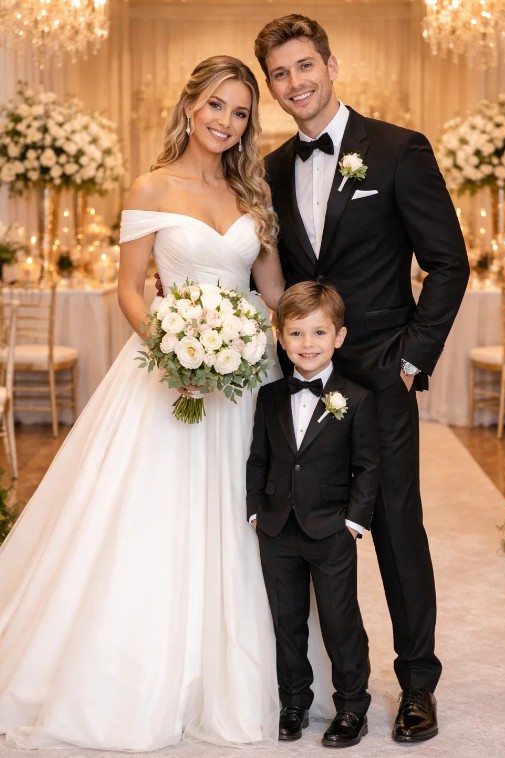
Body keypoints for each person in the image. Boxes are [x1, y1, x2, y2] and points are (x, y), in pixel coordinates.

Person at [0, 56, 286, 751]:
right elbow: (130, 289)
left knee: (246, 509)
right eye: (215, 105)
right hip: (169, 367)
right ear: (189, 106)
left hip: (246, 372)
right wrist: (175, 352)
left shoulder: (252, 193)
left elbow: (274, 293)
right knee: (153, 511)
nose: (225, 121)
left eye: (240, 112)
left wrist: (321, 333)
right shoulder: (150, 186)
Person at [254, 14, 470, 743]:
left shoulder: (398, 150)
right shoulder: (272, 170)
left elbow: (448, 262)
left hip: (380, 381)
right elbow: (271, 275)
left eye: (304, 65)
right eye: (280, 73)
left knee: (396, 530)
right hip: (303, 385)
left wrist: (410, 361)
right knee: (309, 532)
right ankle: (324, 683)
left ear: (331, 64)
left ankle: (417, 685)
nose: (295, 83)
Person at [247, 281, 380, 748]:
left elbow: (368, 466)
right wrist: (255, 512)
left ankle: (352, 706)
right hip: (278, 527)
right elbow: (259, 458)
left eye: (319, 333)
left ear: (339, 337)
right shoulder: (269, 397)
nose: (308, 344)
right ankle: (294, 701)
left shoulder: (357, 398)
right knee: (286, 619)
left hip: (331, 530)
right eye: (296, 333)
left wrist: (353, 522)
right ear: (280, 338)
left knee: (340, 620)